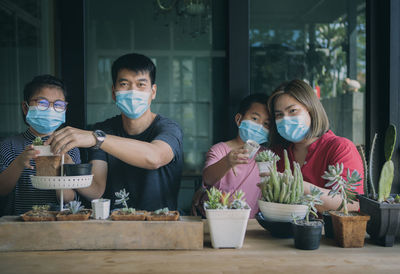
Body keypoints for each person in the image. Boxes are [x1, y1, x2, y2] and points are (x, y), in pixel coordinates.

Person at [46, 53, 183, 211]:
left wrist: (96, 138)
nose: (132, 91)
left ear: (153, 91)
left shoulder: (168, 128)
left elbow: (154, 158)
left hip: (161, 226)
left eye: (141, 84)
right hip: (115, 226)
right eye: (124, 84)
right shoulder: (104, 130)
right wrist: (68, 167)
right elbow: (96, 190)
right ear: (113, 92)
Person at [268, 79, 364, 212]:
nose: (286, 119)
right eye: (279, 115)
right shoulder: (276, 153)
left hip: (329, 232)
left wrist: (297, 186)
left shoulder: (341, 148)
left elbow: (352, 204)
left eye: (293, 111)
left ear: (311, 110)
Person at [0, 75, 81, 216]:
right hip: (20, 222)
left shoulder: (69, 147)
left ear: (65, 110)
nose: (50, 109)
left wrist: (59, 171)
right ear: (26, 108)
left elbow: (70, 199)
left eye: (58, 105)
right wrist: (19, 162)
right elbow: (2, 190)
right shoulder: (9, 145)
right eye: (42, 103)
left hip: (57, 222)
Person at [193, 94, 270, 218]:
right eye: (255, 119)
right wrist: (228, 161)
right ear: (239, 119)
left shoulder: (266, 156)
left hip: (250, 224)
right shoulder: (219, 150)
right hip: (217, 220)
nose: (259, 126)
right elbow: (208, 178)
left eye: (266, 124)